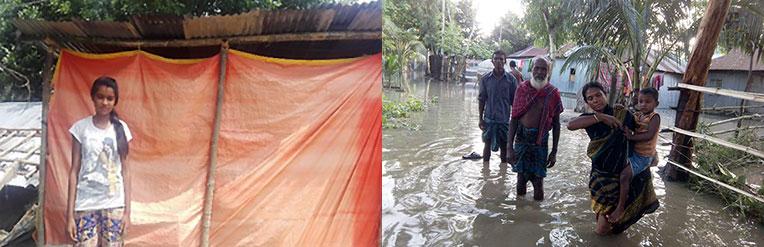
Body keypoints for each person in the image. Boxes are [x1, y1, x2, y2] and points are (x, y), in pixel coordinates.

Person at [567, 82, 659, 235]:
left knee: (607, 227)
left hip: (620, 175)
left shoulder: (622, 114)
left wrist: (653, 153)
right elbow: (570, 125)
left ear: (605, 94)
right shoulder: (590, 118)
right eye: (590, 98)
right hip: (600, 177)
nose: (595, 100)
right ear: (587, 102)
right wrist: (601, 118)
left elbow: (642, 133)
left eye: (598, 95)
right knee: (603, 221)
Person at [67, 76, 133, 246]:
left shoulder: (122, 129)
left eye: (109, 98)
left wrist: (127, 212)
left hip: (114, 204)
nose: (104, 102)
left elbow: (126, 171)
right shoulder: (80, 128)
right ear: (93, 97)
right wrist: (69, 216)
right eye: (100, 97)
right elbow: (74, 170)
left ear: (115, 101)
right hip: (85, 204)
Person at [506, 57, 563, 201]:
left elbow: (556, 125)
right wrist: (509, 148)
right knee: (520, 179)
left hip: (541, 142)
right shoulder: (522, 89)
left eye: (544, 69)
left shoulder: (553, 93)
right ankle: (519, 214)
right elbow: (514, 119)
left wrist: (554, 152)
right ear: (532, 69)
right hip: (521, 140)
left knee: (539, 182)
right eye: (537, 68)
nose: (540, 71)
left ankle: (536, 217)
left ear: (548, 72)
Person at [608, 87, 661, 223]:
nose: (643, 104)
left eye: (647, 102)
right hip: (633, 153)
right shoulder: (638, 115)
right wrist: (621, 108)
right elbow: (629, 116)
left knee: (624, 176)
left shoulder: (654, 117)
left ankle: (620, 207)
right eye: (641, 101)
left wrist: (632, 136)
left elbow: (649, 135)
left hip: (644, 156)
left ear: (656, 104)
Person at [479, 50, 518, 166]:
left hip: (504, 120)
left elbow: (515, 103)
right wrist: (480, 118)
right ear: (492, 61)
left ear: (505, 61)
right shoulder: (485, 79)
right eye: (496, 59)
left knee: (504, 147)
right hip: (489, 119)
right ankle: (485, 172)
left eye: (501, 59)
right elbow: (481, 99)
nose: (499, 61)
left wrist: (515, 122)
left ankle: (503, 172)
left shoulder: (511, 80)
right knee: (487, 144)